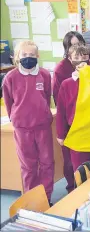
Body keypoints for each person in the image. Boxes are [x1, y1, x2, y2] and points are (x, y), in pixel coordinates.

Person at [2, 41, 54, 202]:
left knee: (47, 163)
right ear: (18, 57)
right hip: (22, 128)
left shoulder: (44, 75)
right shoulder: (10, 77)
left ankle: (45, 198)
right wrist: (17, 118)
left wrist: (43, 114)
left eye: (32, 55)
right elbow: (9, 102)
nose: (28, 58)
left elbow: (46, 96)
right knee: (28, 166)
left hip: (42, 126)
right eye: (25, 55)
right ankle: (31, 199)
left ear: (37, 56)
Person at [56, 45, 90, 170]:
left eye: (84, 57)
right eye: (76, 57)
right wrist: (60, 134)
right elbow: (61, 112)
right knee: (80, 168)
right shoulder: (66, 84)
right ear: (70, 59)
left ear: (89, 59)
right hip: (77, 131)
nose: (80, 60)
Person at [52, 31, 86, 193]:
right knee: (72, 162)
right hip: (73, 126)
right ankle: (73, 188)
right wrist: (61, 132)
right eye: (73, 45)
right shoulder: (63, 74)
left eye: (79, 43)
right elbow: (61, 107)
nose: (77, 49)